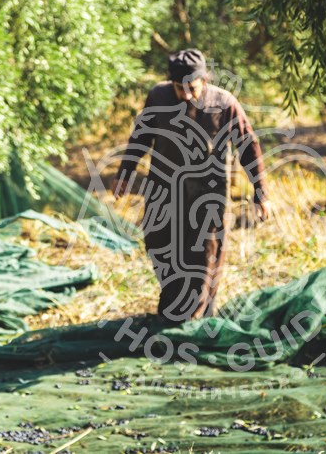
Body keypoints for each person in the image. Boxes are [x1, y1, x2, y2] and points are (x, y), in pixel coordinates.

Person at [113, 48, 271, 324]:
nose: (185, 95)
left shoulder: (224, 103)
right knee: (159, 243)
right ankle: (173, 306)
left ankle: (195, 320)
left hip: (208, 192)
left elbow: (249, 146)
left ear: (205, 81)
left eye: (192, 88)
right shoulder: (158, 97)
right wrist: (125, 173)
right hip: (164, 187)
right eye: (179, 88)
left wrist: (261, 193)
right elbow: (141, 136)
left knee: (203, 254)